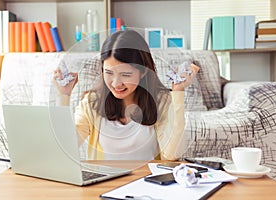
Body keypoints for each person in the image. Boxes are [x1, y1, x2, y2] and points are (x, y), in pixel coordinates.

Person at [53, 30, 199, 160]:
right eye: (109, 73)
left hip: (147, 184)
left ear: (143, 71)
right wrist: (63, 96)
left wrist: (178, 92)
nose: (116, 83)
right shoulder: (92, 102)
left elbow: (171, 154)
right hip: (104, 185)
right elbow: (66, 147)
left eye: (125, 74)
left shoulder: (160, 100)